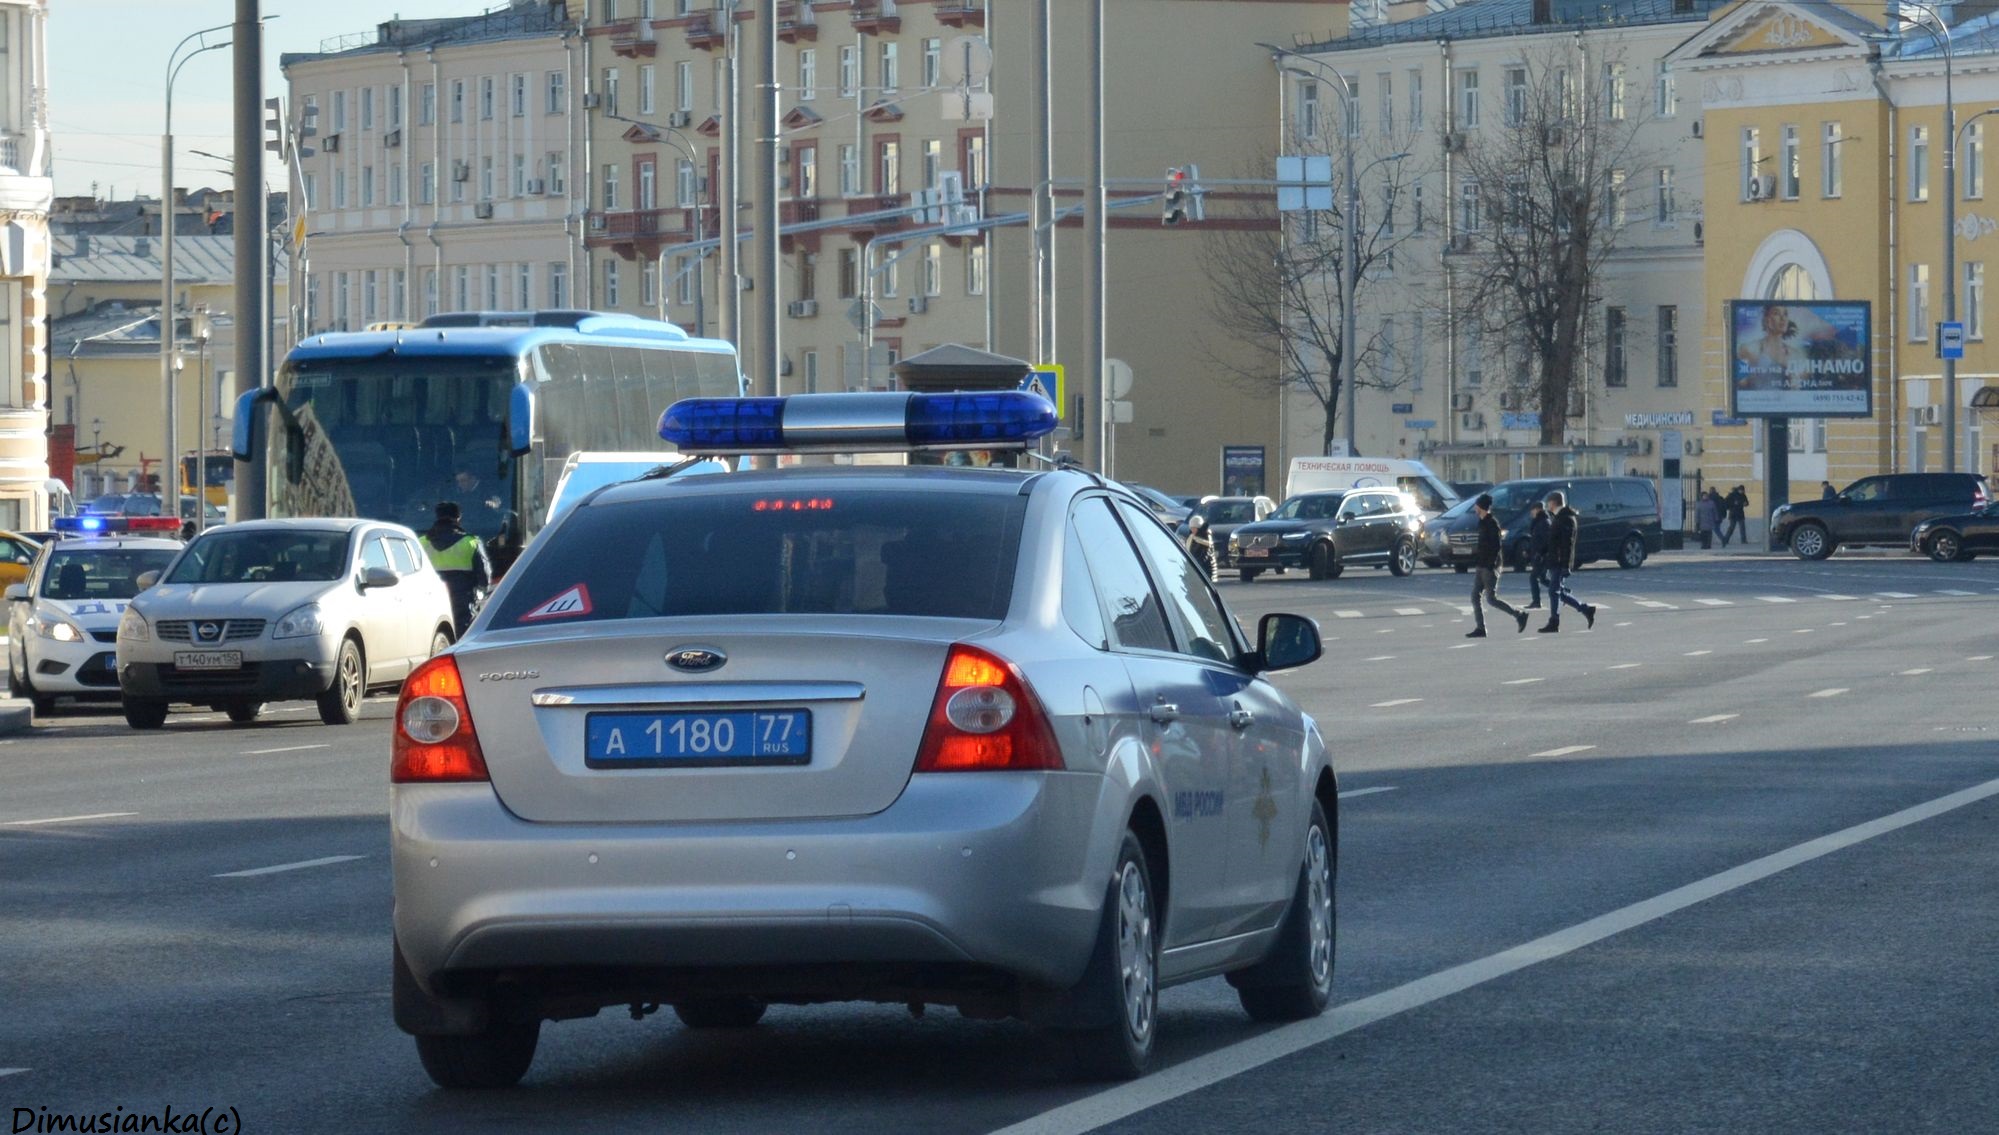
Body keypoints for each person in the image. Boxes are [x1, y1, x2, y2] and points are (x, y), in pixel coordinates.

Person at [419, 501, 492, 638]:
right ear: (458, 518)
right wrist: (481, 592)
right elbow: (485, 577)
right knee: (462, 638)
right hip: (462, 600)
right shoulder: (471, 542)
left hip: (430, 598)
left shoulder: (421, 542)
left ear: (437, 516)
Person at [1467, 494, 1529, 638]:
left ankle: (1519, 614)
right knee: (1475, 596)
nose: (1475, 508)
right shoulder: (1482, 522)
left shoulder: (1491, 523)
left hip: (1490, 566)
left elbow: (1496, 547)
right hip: (1481, 565)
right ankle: (1480, 628)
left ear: (1481, 507)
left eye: (1477, 505)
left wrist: (1491, 565)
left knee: (1491, 599)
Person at [1538, 490, 1598, 634]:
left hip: (1559, 561)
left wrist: (1565, 565)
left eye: (1548, 503)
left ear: (1553, 503)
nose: (1547, 506)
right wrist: (1541, 552)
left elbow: (1567, 544)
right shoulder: (1559, 518)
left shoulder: (1566, 519)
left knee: (1554, 591)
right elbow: (1553, 540)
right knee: (1558, 592)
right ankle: (1585, 609)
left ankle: (1554, 622)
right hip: (1555, 560)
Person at [1525, 500, 1554, 607]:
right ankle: (1564, 592)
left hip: (1542, 556)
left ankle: (1536, 601)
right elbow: (1535, 540)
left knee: (1533, 578)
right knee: (1543, 579)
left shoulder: (1544, 522)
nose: (1531, 513)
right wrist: (1529, 551)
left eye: (1532, 510)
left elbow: (1546, 541)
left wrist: (1540, 554)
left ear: (1538, 510)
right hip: (1539, 555)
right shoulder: (1539, 522)